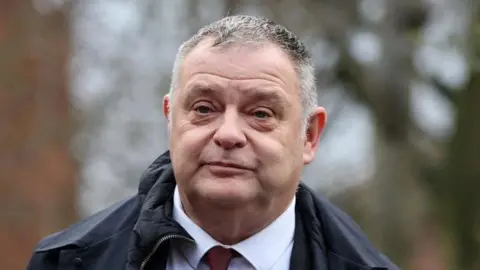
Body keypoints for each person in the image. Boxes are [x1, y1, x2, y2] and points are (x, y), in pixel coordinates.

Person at [27, 15, 398, 270]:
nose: (229, 134)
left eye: (261, 114)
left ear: (309, 135)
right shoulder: (68, 262)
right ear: (170, 118)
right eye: (205, 108)